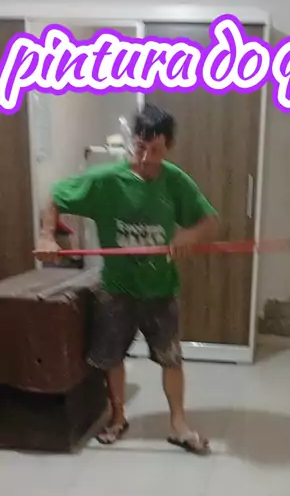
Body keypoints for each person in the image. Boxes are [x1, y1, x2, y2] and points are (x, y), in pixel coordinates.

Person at [35, 104, 219, 454]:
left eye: (156, 150)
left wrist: (188, 237)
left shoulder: (175, 181)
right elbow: (56, 197)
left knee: (171, 358)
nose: (146, 158)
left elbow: (209, 222)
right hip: (117, 289)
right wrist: (46, 236)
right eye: (141, 147)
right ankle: (118, 416)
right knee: (112, 357)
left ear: (169, 147)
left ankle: (178, 424)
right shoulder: (106, 180)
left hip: (161, 288)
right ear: (133, 141)